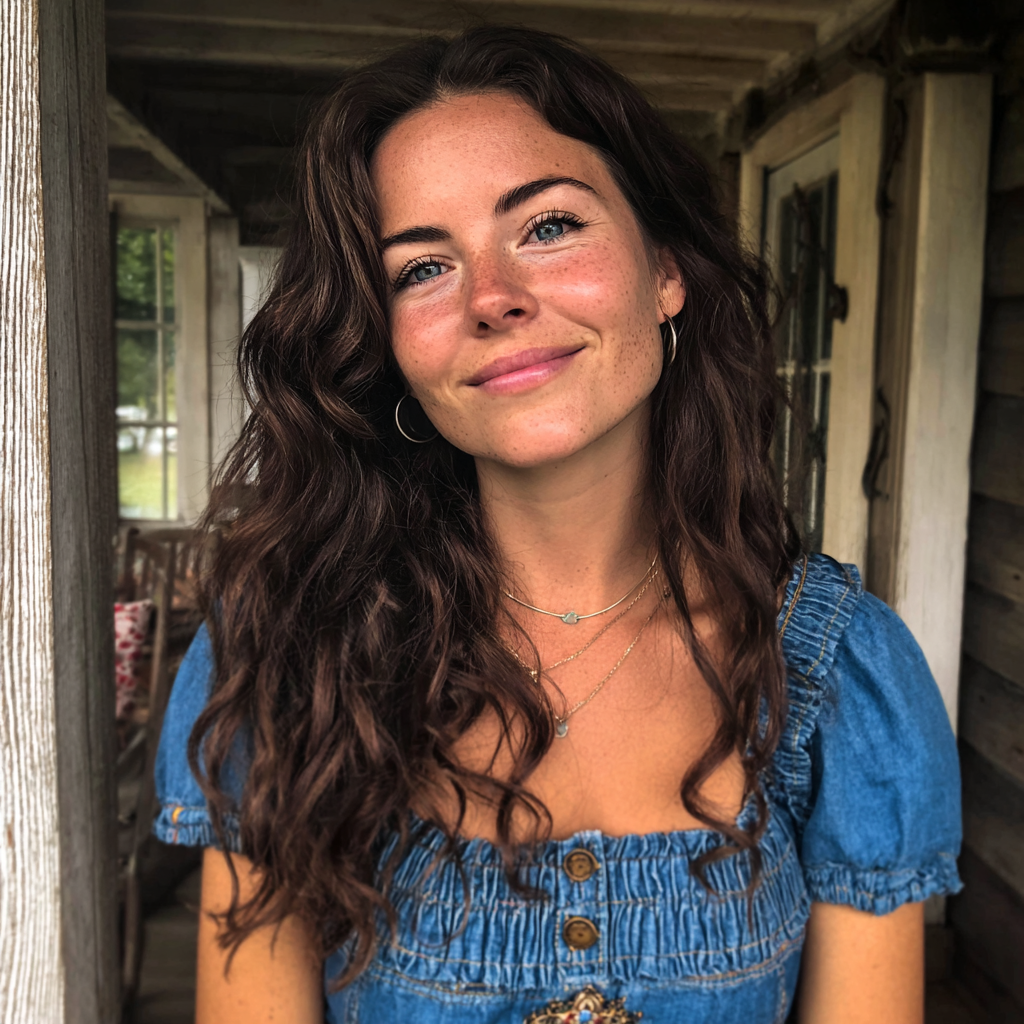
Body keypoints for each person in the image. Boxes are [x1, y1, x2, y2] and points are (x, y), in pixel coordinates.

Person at [154, 26, 962, 1024]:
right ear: (389, 346)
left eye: (546, 227)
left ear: (664, 270)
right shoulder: (290, 648)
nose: (492, 298)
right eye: (421, 269)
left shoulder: (836, 676)